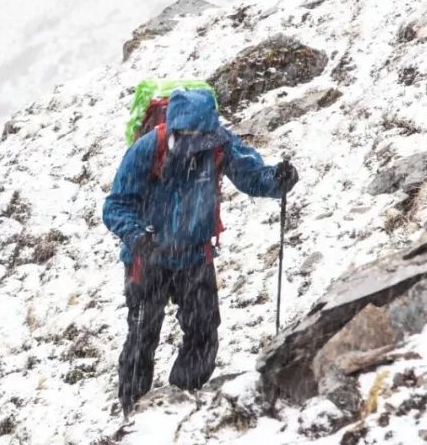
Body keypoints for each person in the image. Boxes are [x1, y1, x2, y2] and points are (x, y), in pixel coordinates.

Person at [102, 88, 299, 417]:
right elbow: (116, 206)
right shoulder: (148, 148)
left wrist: (276, 179)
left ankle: (183, 402)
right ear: (174, 127)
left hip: (194, 255)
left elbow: (251, 176)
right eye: (189, 137)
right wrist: (137, 237)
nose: (196, 146)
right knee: (142, 337)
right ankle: (133, 413)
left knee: (203, 331)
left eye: (202, 137)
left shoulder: (222, 143)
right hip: (147, 259)